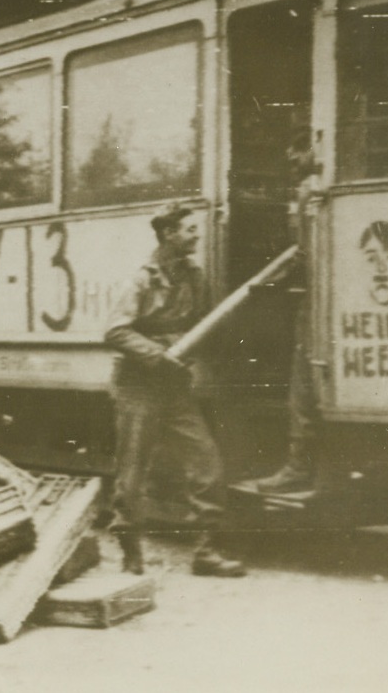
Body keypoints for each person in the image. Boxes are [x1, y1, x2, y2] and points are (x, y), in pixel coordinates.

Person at [104, 203, 246, 578]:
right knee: (132, 472)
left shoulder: (194, 277)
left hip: (175, 389)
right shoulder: (142, 279)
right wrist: (158, 354)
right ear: (169, 234)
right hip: (138, 387)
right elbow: (115, 331)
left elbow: (202, 322)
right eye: (189, 230)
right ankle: (131, 553)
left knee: (206, 462)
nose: (197, 236)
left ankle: (206, 552)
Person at [255, 136, 322, 494]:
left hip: (315, 302)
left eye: (300, 148)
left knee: (301, 385)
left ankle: (298, 466)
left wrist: (267, 285)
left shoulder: (306, 193)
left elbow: (301, 256)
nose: (293, 158)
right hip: (324, 297)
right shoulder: (316, 188)